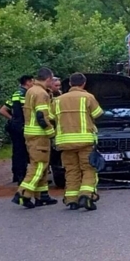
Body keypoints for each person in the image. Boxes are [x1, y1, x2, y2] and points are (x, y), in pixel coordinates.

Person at [53, 73, 104, 211]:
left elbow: (51, 117)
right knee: (89, 169)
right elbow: (98, 114)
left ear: (69, 83)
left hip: (64, 143)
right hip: (85, 142)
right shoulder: (88, 97)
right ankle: (86, 196)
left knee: (71, 170)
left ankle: (71, 199)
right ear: (84, 83)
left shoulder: (57, 100)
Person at [13, 67, 57, 209]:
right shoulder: (41, 93)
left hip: (32, 133)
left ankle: (42, 196)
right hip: (39, 134)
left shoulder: (31, 91)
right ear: (48, 79)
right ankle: (23, 194)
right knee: (38, 165)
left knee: (42, 165)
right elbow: (41, 117)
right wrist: (52, 133)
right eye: (53, 80)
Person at [0, 75, 33, 185]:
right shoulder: (25, 94)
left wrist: (13, 119)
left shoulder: (16, 93)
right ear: (28, 82)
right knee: (22, 151)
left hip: (14, 126)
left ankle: (16, 174)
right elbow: (27, 110)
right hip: (22, 126)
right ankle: (21, 177)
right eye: (33, 81)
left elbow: (3, 110)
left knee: (17, 150)